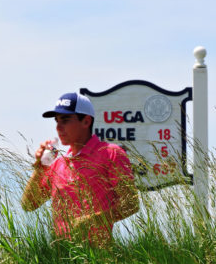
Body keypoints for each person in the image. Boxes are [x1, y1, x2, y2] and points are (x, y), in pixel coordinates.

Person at [21, 92, 139, 247]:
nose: (58, 127)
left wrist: (91, 220)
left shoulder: (111, 153)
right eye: (56, 121)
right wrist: (40, 167)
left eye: (65, 120)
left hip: (99, 256)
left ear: (86, 121)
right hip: (60, 256)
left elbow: (131, 204)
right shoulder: (58, 163)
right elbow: (28, 205)